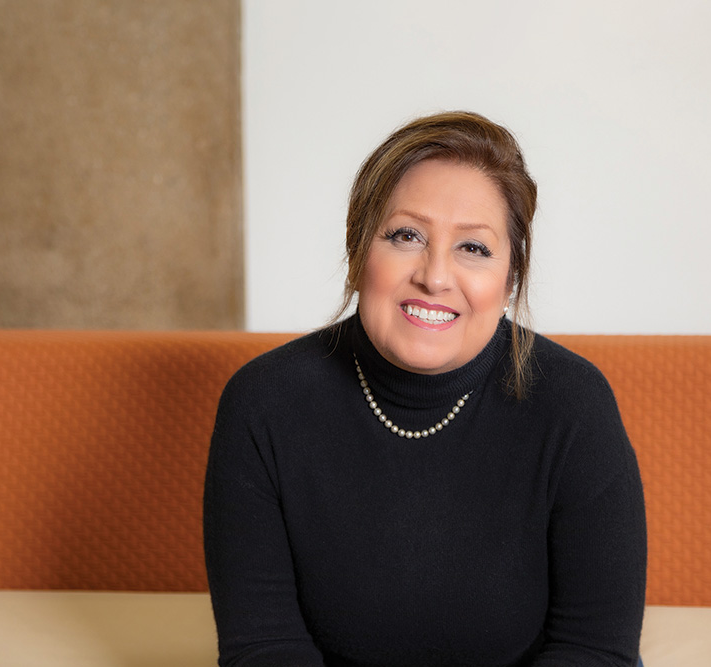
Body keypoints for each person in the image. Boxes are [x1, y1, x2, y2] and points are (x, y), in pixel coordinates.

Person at [203, 111, 647, 666]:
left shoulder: (575, 406)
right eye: (406, 235)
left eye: (474, 248)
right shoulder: (263, 404)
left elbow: (594, 652)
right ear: (358, 247)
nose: (435, 277)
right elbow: (263, 649)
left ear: (510, 277)